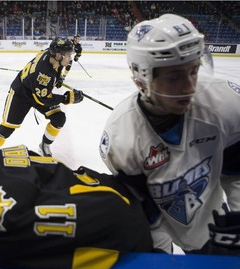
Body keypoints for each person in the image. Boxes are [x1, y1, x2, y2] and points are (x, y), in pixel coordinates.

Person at [0, 105, 153, 269]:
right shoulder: (13, 153)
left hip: (134, 248)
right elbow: (28, 200)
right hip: (124, 201)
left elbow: (4, 230)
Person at [99, 14, 240, 255]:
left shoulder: (225, 105)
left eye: (194, 71)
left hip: (212, 227)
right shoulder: (122, 137)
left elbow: (236, 173)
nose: (190, 86)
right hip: (167, 226)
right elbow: (148, 216)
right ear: (142, 80)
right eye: (174, 77)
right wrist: (160, 259)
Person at [0, 37, 84, 157]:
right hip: (21, 94)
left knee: (59, 118)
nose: (70, 58)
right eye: (68, 55)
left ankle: (44, 146)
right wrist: (66, 98)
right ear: (58, 56)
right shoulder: (44, 73)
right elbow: (43, 99)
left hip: (38, 89)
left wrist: (58, 78)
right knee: (6, 130)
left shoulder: (51, 55)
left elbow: (54, 71)